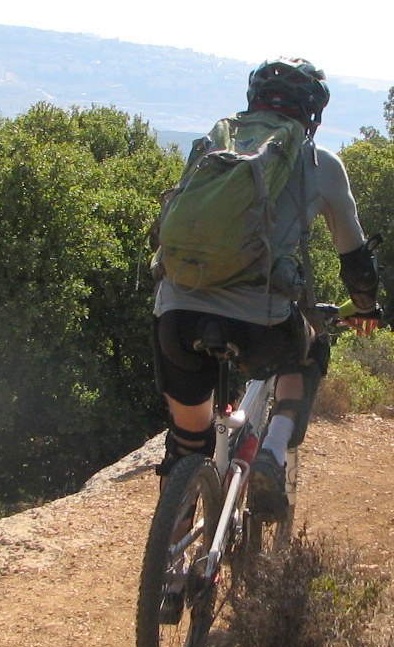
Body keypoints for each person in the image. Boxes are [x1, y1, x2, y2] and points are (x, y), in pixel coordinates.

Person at [151, 57, 381, 517]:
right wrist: (365, 305)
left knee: (187, 442)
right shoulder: (321, 164)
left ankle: (169, 552)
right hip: (262, 323)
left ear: (253, 100)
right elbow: (354, 258)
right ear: (313, 113)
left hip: (178, 314)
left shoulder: (213, 146)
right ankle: (272, 452)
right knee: (310, 347)